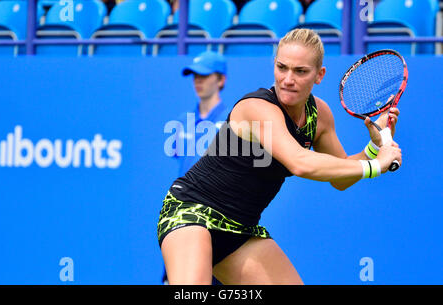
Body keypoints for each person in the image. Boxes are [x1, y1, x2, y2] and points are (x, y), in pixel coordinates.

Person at [157, 28, 402, 284]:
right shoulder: (257, 107)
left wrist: (372, 149)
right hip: (191, 212)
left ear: (320, 75)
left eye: (300, 71)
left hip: (240, 229)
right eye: (282, 67)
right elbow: (300, 163)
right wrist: (376, 165)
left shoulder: (320, 116)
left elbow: (340, 178)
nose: (287, 79)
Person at [161, 51, 230, 283]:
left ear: (221, 80)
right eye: (194, 76)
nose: (198, 81)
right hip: (183, 218)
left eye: (204, 75)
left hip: (219, 220)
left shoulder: (232, 121)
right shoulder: (181, 121)